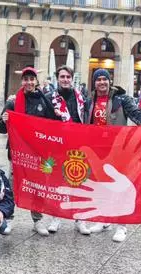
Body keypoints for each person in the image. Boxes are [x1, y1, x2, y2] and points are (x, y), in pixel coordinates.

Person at [82, 69, 141, 242]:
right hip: (97, 149)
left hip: (117, 149)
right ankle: (103, 220)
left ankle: (121, 226)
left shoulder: (121, 99)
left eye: (105, 79)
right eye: (98, 80)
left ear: (110, 81)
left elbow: (137, 114)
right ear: (94, 83)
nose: (102, 82)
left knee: (118, 186)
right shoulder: (90, 100)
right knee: (101, 185)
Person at [0, 66, 59, 236]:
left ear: (36, 81)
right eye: (26, 79)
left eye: (32, 79)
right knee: (11, 186)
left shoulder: (43, 100)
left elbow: (52, 123)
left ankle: (37, 221)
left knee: (37, 187)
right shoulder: (12, 102)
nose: (29, 82)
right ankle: (8, 219)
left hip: (38, 153)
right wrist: (4, 121)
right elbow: (0, 129)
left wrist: (59, 115)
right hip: (17, 153)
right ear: (22, 81)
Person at [42, 65, 93, 236]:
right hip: (58, 146)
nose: (65, 79)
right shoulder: (49, 98)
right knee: (58, 183)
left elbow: (87, 119)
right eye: (62, 76)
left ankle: (80, 219)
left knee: (79, 181)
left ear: (72, 78)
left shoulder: (81, 98)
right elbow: (41, 120)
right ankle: (56, 217)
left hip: (78, 145)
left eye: (68, 77)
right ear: (57, 78)